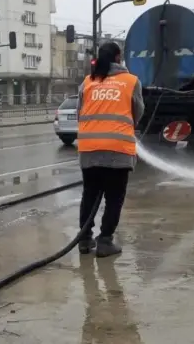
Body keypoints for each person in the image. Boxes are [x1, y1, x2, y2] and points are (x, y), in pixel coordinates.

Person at [76, 41, 144, 257]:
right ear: (118, 58)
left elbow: (79, 113)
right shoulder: (131, 81)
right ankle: (105, 241)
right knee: (114, 197)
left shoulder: (88, 82)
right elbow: (137, 113)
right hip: (118, 148)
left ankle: (84, 240)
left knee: (90, 194)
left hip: (89, 147)